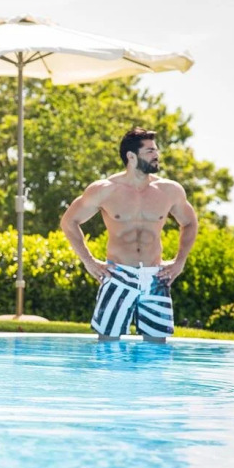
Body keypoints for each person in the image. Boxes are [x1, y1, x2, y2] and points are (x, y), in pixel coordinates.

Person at [60, 127, 198, 343]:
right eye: (150, 151)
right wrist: (89, 262)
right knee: (108, 345)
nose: (156, 155)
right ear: (131, 156)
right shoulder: (104, 189)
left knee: (156, 349)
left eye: (156, 150)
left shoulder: (169, 190)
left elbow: (189, 223)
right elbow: (69, 222)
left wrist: (180, 262)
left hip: (155, 276)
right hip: (118, 275)